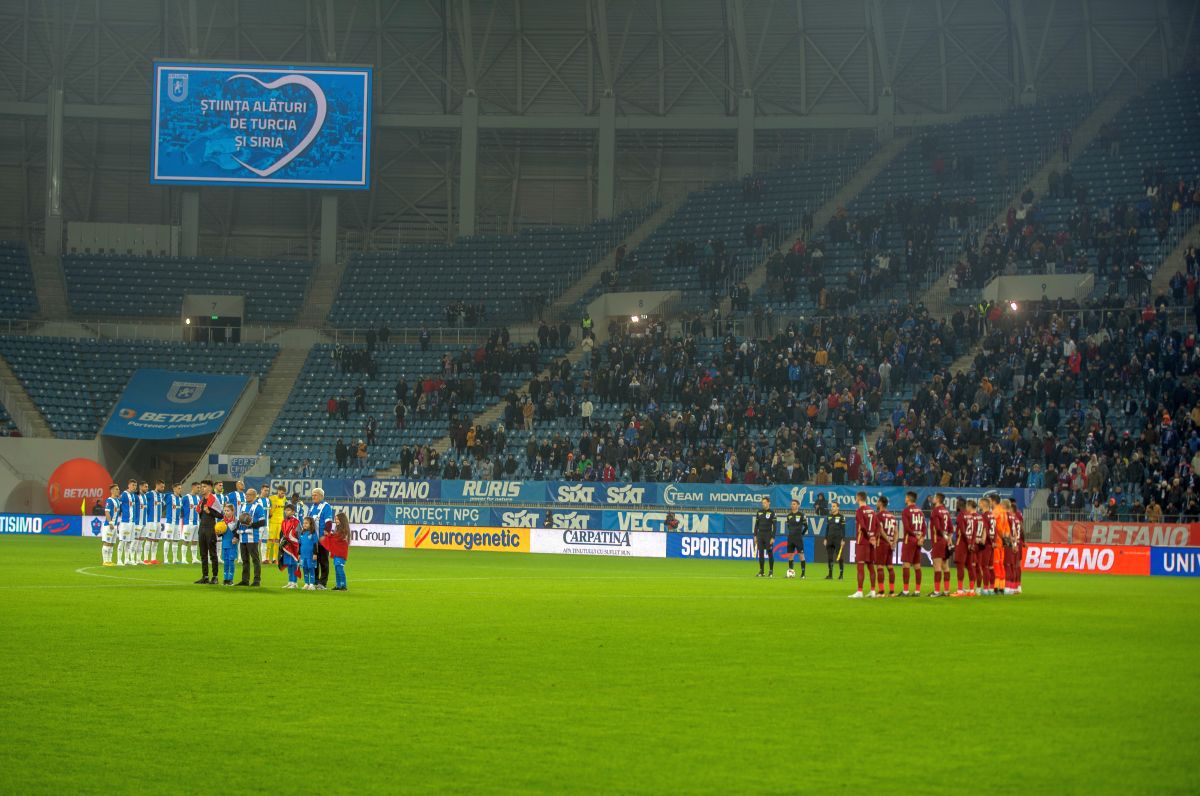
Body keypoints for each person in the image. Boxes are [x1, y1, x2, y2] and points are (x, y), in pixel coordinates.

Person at [849, 491, 877, 598]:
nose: (855, 499)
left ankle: (860, 591)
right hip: (871, 543)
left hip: (863, 541)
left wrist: (869, 538)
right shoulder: (872, 510)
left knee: (860, 566)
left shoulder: (860, 511)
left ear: (859, 498)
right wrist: (874, 537)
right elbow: (878, 526)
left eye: (856, 497)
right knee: (870, 566)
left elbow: (863, 526)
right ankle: (873, 591)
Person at [195, 480, 223, 584]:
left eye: (204, 486)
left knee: (212, 554)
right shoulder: (202, 501)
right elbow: (200, 514)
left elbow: (221, 515)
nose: (202, 488)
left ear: (210, 488)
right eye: (201, 486)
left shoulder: (214, 500)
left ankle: (215, 577)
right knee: (203, 554)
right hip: (202, 528)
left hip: (210, 529)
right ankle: (205, 576)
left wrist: (209, 512)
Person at [237, 488, 265, 587]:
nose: (246, 496)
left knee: (255, 559)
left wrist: (251, 525)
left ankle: (257, 580)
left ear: (254, 496)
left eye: (248, 494)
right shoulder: (243, 506)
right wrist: (236, 535)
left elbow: (263, 522)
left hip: (252, 537)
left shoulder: (258, 507)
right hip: (242, 536)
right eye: (246, 494)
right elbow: (239, 521)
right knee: (245, 560)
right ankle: (245, 580)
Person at [899, 491, 925, 597]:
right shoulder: (920, 511)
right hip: (918, 541)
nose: (905, 499)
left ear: (909, 498)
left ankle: (905, 591)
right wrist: (921, 537)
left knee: (906, 565)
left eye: (906, 497)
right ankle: (917, 591)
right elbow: (924, 527)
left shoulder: (906, 511)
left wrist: (915, 536)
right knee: (917, 566)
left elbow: (907, 527)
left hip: (909, 539)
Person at [953, 499, 980, 597]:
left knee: (960, 567)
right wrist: (972, 543)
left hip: (962, 544)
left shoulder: (961, 515)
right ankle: (972, 590)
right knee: (970, 567)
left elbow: (963, 531)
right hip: (970, 544)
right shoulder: (971, 516)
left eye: (956, 504)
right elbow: (974, 532)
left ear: (960, 505)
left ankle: (960, 591)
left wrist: (968, 543)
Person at [309, 488, 334, 589]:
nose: (313, 497)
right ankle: (315, 581)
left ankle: (323, 582)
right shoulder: (311, 508)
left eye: (315, 495)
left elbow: (328, 521)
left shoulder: (326, 506)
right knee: (314, 561)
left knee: (323, 561)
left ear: (321, 496)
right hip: (313, 540)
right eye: (313, 495)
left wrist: (327, 532)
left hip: (323, 539)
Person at [929, 492, 953, 597]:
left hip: (938, 540)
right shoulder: (946, 511)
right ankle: (946, 591)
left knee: (937, 566)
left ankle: (937, 591)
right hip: (945, 541)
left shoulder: (935, 511)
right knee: (945, 566)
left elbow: (938, 528)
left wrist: (944, 536)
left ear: (938, 499)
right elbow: (951, 528)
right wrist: (949, 539)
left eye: (934, 497)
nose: (933, 499)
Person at [874, 496, 898, 598]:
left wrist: (888, 541)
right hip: (890, 544)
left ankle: (881, 591)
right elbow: (896, 531)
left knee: (880, 567)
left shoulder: (878, 515)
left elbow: (881, 530)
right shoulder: (892, 516)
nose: (876, 503)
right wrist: (894, 542)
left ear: (880, 503)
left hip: (882, 543)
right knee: (890, 567)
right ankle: (892, 592)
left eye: (877, 501)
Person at [323, 512, 352, 591]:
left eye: (337, 519)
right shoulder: (338, 528)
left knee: (339, 568)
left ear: (342, 520)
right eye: (335, 519)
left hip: (341, 552)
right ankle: (338, 585)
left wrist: (329, 535)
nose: (336, 521)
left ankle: (343, 585)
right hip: (337, 552)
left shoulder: (344, 529)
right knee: (337, 568)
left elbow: (337, 538)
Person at [278, 504, 301, 589]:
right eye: (285, 510)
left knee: (294, 564)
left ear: (293, 512)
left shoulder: (296, 521)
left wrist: (298, 546)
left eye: (288, 510)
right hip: (286, 546)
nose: (286, 511)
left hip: (294, 546)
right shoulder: (284, 521)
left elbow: (299, 534)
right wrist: (281, 542)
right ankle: (290, 581)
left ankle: (294, 582)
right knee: (288, 564)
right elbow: (282, 533)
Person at [753, 496, 776, 578]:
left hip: (768, 535)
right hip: (760, 535)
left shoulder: (772, 513)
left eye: (765, 502)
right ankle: (761, 571)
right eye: (762, 503)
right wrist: (755, 535)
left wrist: (773, 537)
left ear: (769, 503)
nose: (764, 504)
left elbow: (775, 526)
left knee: (770, 553)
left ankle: (771, 571)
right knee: (761, 553)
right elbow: (756, 525)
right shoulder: (759, 512)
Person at [784, 499, 806, 579]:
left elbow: (806, 527)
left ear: (798, 505)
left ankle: (803, 574)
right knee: (790, 555)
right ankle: (790, 572)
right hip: (790, 538)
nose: (792, 505)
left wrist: (801, 534)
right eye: (791, 504)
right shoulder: (789, 515)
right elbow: (788, 526)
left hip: (798, 538)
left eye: (794, 504)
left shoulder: (801, 515)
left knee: (801, 555)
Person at [824, 500, 846, 580]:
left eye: (834, 506)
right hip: (829, 539)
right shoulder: (829, 516)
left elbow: (843, 529)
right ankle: (830, 575)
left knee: (839, 557)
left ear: (837, 508)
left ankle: (841, 575)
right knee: (830, 558)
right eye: (832, 506)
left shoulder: (841, 517)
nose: (832, 508)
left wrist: (843, 539)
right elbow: (827, 528)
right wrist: (825, 538)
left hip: (838, 539)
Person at [219, 505, 240, 586]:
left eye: (228, 511)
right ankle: (225, 579)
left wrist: (236, 538)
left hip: (232, 544)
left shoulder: (236, 521)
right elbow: (219, 534)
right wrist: (218, 533)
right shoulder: (222, 521)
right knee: (226, 562)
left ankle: (230, 579)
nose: (226, 512)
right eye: (225, 511)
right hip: (224, 544)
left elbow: (238, 532)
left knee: (231, 561)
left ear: (232, 511)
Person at [267, 484, 287, 564]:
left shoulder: (284, 499)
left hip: (280, 522)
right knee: (270, 540)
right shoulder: (271, 498)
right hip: (272, 522)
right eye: (281, 493)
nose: (282, 495)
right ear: (278, 491)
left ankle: (275, 558)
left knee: (277, 540)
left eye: (284, 493)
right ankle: (267, 558)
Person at [165, 482, 184, 565]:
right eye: (179, 488)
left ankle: (175, 559)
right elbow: (161, 496)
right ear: (174, 489)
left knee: (176, 540)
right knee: (168, 540)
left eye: (180, 488)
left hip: (177, 522)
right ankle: (165, 559)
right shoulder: (169, 497)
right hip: (170, 522)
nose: (180, 490)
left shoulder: (180, 499)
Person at [183, 482, 201, 565]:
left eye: (199, 487)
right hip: (188, 523)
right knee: (186, 541)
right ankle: (183, 559)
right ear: (193, 487)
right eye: (198, 487)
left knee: (195, 541)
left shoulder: (198, 498)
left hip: (197, 522)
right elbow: (180, 507)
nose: (199, 489)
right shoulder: (186, 497)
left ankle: (194, 559)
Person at [101, 484, 120, 567]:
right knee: (107, 543)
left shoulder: (117, 501)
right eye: (116, 489)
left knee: (112, 543)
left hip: (115, 525)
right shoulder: (109, 500)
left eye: (118, 489)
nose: (118, 490)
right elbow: (107, 512)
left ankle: (109, 561)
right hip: (109, 525)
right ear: (112, 491)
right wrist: (110, 523)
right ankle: (105, 561)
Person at [299, 517, 320, 590]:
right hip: (303, 555)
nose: (304, 524)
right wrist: (299, 554)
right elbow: (300, 544)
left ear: (311, 524)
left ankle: (312, 584)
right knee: (304, 569)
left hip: (310, 555)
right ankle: (306, 583)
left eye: (306, 523)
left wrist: (315, 554)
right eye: (304, 523)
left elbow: (315, 544)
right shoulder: (302, 533)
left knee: (311, 569)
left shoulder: (313, 533)